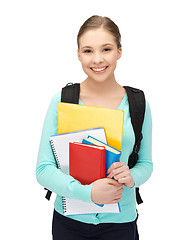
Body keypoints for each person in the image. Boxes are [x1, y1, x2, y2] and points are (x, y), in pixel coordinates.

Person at [36, 15, 153, 240]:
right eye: (88, 51)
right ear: (78, 54)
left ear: (119, 51)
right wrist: (87, 193)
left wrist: (132, 176)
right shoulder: (62, 100)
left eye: (106, 49)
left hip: (120, 223)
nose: (97, 59)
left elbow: (146, 163)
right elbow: (43, 169)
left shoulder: (138, 104)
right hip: (68, 223)